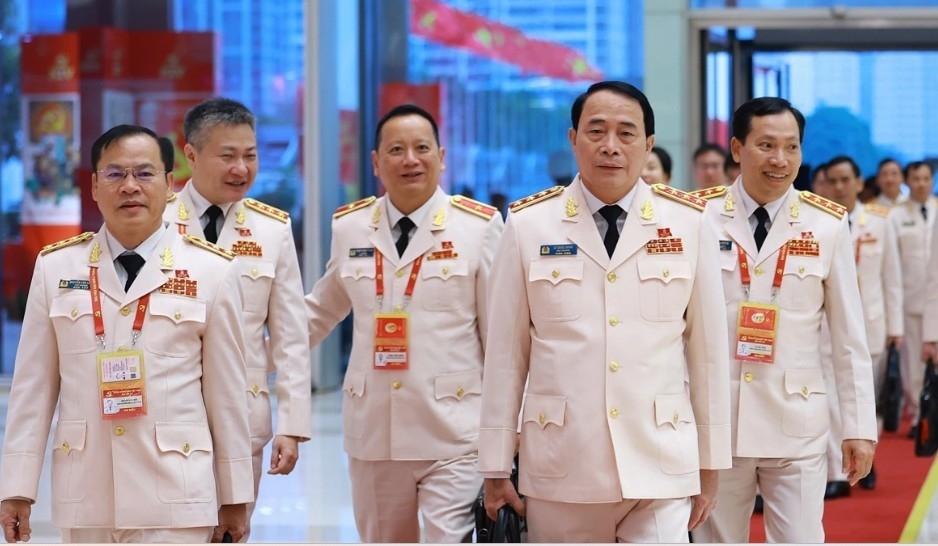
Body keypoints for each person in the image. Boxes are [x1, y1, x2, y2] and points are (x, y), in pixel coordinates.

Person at [479, 80, 732, 543]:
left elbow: (709, 354)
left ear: (649, 144)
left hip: (660, 458)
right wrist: (495, 463)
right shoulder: (529, 224)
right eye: (596, 131)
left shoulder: (689, 223)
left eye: (626, 133)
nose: (611, 146)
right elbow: (505, 356)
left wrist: (712, 463)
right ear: (573, 139)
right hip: (564, 463)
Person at [0, 125, 253, 543]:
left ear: (170, 185)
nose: (130, 187)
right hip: (87, 493)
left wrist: (235, 495)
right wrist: (17, 487)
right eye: (115, 175)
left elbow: (227, 397)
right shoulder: (56, 269)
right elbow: (32, 389)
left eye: (145, 173)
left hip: (176, 492)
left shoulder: (212, 271)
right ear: (96, 186)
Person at [305, 104, 504, 542]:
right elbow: (320, 310)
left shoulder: (478, 227)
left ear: (442, 156)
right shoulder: (351, 227)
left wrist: (509, 433)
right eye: (396, 149)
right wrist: (244, 351)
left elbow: (501, 338)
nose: (410, 159)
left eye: (421, 148)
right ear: (376, 162)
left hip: (452, 431)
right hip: (374, 432)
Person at [691, 97, 876, 543]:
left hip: (796, 422)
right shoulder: (696, 216)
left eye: (791, 147)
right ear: (736, 148)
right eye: (766, 145)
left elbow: (849, 337)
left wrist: (859, 428)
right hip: (718, 425)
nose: (780, 160)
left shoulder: (827, 224)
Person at [164, 98, 311, 535]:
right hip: (170, 419)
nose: (241, 168)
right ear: (190, 155)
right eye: (227, 156)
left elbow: (291, 336)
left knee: (230, 533)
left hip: (244, 419)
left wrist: (293, 425)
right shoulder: (157, 222)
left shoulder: (272, 230)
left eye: (250, 156)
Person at [819, 155, 902, 498]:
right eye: (832, 181)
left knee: (869, 396)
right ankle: (837, 472)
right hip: (827, 327)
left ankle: (869, 457)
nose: (839, 187)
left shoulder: (880, 222)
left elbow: (892, 278)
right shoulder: (818, 222)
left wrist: (896, 328)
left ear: (858, 183)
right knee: (833, 399)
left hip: (871, 324)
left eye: (845, 180)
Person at [888, 161, 937, 438]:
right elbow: (892, 266)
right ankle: (920, 415)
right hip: (910, 298)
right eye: (915, 178)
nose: (921, 183)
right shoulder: (896, 215)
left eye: (926, 178)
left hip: (935, 299)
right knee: (914, 366)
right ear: (908, 181)